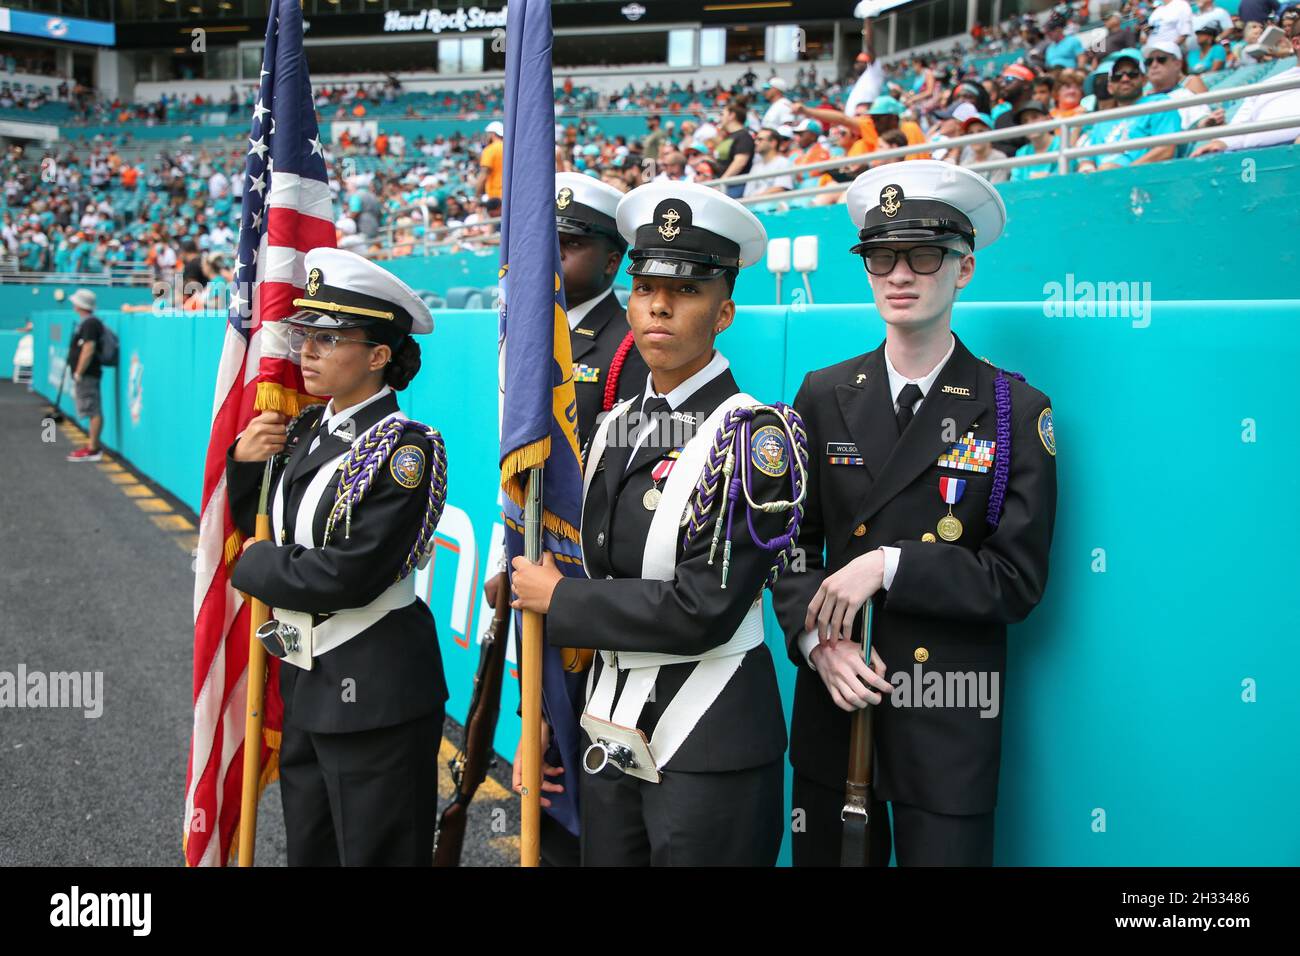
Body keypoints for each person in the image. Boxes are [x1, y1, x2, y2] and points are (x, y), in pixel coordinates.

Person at [509, 181, 809, 866]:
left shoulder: (756, 438)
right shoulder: (615, 424)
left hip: (706, 737)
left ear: (724, 311)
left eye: (687, 292)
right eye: (645, 288)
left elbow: (704, 606)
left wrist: (563, 600)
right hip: (610, 724)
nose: (660, 307)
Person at [773, 161, 1058, 866]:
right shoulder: (823, 391)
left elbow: (1014, 581)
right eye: (880, 257)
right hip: (836, 706)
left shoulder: (1014, 410)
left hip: (947, 719)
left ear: (963, 269)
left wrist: (889, 564)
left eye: (923, 255)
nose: (899, 275)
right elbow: (790, 549)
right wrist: (819, 644)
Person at [226, 247, 450, 866]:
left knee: (374, 855)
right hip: (306, 678)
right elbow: (270, 528)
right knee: (312, 852)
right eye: (306, 335)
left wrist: (250, 565)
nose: (309, 351)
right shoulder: (303, 431)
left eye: (331, 339)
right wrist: (246, 468)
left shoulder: (407, 451)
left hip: (374, 686)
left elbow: (349, 574)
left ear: (378, 356)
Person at [66, 288, 105, 462]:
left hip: (88, 374)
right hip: (87, 374)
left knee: (92, 409)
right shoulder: (88, 322)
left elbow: (88, 349)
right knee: (91, 409)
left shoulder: (90, 323)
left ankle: (93, 448)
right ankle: (92, 446)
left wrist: (79, 373)